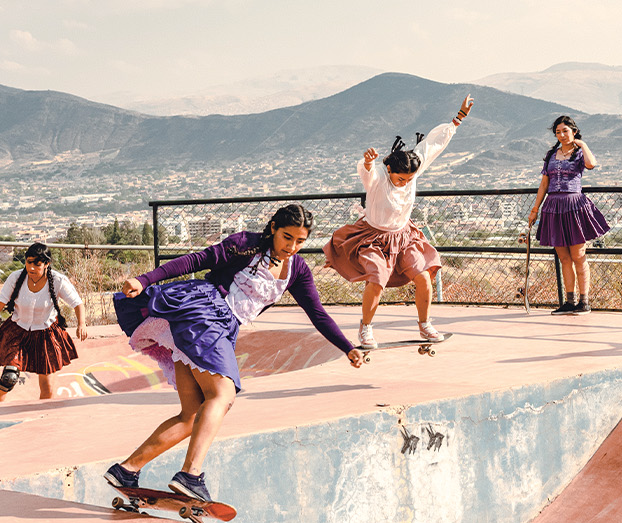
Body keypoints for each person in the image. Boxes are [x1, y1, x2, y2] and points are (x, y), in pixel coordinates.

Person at [104, 204, 360, 501]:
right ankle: (191, 474)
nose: (291, 247)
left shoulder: (297, 270)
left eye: (300, 241)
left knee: (192, 416)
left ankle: (127, 469)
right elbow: (196, 260)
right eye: (286, 237)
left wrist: (348, 348)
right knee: (223, 395)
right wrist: (146, 279)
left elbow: (316, 312)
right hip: (205, 311)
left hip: (222, 327)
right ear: (273, 227)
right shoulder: (246, 245)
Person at [323, 94, 473, 347]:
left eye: (409, 179)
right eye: (401, 179)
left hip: (404, 236)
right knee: (377, 279)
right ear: (390, 170)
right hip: (372, 237)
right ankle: (366, 328)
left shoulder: (411, 170)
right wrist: (368, 162)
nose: (405, 183)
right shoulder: (380, 176)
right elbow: (366, 172)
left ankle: (425, 325)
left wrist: (458, 119)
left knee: (423, 276)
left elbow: (432, 146)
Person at [0, 243, 88, 402]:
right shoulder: (16, 278)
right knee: (9, 378)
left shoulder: (58, 281)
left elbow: (78, 303)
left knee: (47, 387)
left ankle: (43, 419)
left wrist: (81, 323)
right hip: (17, 332)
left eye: (37, 264)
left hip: (45, 334)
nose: (32, 267)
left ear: (46, 264)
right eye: (29, 262)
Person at [528, 115, 609, 315]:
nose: (562, 135)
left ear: (573, 131)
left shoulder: (580, 152)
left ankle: (585, 301)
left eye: (565, 131)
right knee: (564, 258)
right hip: (553, 206)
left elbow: (591, 164)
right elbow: (544, 184)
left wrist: (582, 143)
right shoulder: (551, 155)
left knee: (579, 256)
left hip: (574, 205)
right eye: (558, 132)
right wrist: (535, 209)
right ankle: (569, 301)